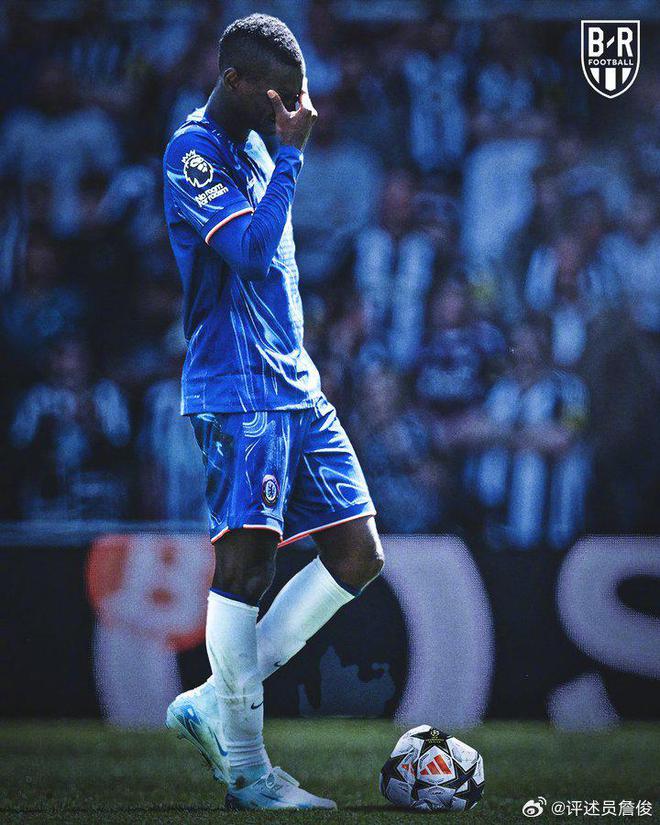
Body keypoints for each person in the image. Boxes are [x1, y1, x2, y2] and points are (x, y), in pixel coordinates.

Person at [162, 14, 383, 811]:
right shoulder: (193, 153)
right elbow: (251, 253)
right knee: (246, 570)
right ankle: (249, 770)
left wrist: (280, 150)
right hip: (238, 389)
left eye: (300, 94)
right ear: (233, 81)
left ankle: (211, 700)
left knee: (358, 553)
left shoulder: (260, 145)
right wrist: (291, 155)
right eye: (280, 95)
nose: (295, 109)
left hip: (297, 384)